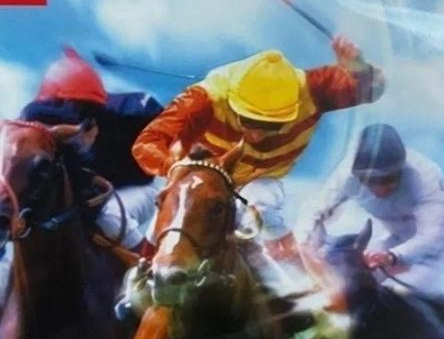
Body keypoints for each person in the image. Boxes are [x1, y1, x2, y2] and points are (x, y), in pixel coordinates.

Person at [131, 36, 385, 272]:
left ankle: (292, 270)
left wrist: (359, 68)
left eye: (272, 125)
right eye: (248, 120)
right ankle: (141, 276)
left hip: (260, 180)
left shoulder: (313, 89)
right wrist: (175, 168)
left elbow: (374, 87)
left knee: (261, 202)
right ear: (232, 100)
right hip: (203, 182)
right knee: (169, 222)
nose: (256, 136)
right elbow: (147, 143)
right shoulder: (203, 99)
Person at [20, 47, 162, 254]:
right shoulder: (46, 135)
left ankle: (153, 266)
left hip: (139, 187)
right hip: (90, 196)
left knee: (111, 217)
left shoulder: (133, 112)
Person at [315, 123, 444, 295]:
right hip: (394, 238)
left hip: (435, 249)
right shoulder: (346, 174)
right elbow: (315, 209)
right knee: (349, 282)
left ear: (401, 170)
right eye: (369, 180)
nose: (379, 189)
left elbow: (432, 236)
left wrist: (393, 256)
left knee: (398, 294)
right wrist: (305, 241)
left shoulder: (425, 178)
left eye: (387, 179)